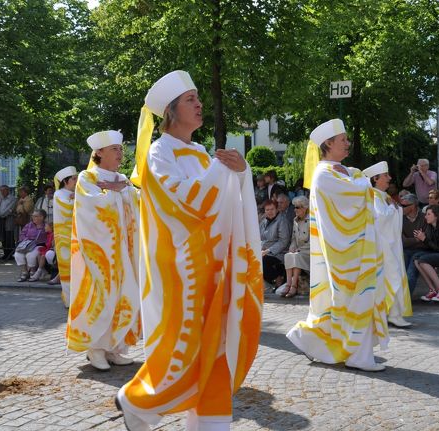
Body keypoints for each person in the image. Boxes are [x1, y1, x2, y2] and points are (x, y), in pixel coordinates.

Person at [115, 70, 262, 431]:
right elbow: (183, 203)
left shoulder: (199, 152)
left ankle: (210, 423)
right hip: (180, 274)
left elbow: (223, 199)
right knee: (182, 348)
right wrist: (223, 172)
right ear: (170, 111)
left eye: (198, 97)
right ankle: (138, 401)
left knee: (216, 345)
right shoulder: (158, 153)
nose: (199, 104)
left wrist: (240, 172)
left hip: (213, 267)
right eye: (190, 99)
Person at [287, 118, 389, 372]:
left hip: (355, 248)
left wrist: (359, 179)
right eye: (343, 140)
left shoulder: (342, 171)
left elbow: (358, 189)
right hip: (343, 251)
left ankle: (344, 349)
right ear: (328, 144)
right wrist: (362, 181)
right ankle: (357, 355)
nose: (348, 143)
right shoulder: (324, 174)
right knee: (355, 299)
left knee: (358, 298)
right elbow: (356, 194)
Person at [67, 130, 141, 372]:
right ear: (99, 152)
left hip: (123, 251)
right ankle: (95, 349)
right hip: (98, 253)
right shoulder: (87, 177)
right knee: (100, 297)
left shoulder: (122, 178)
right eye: (114, 149)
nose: (120, 153)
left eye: (120, 149)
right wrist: (116, 191)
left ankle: (114, 347)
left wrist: (122, 189)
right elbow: (91, 207)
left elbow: (135, 200)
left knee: (124, 295)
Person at [363, 161, 413, 328]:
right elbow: (381, 219)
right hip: (383, 246)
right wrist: (394, 209)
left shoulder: (382, 196)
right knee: (393, 277)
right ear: (375, 179)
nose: (389, 178)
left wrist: (396, 209)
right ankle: (393, 314)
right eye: (386, 175)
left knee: (391, 278)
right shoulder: (373, 196)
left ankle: (391, 313)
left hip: (388, 245)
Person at [52, 166, 77, 303]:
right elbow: (67, 209)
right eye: (73, 179)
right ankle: (69, 300)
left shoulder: (74, 193)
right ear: (65, 181)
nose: (76, 181)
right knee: (67, 268)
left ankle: (77, 298)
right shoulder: (59, 194)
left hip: (74, 235)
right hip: (63, 237)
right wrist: (78, 197)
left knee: (76, 267)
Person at [281, 196, 310, 298]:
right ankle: (288, 284)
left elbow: (313, 241)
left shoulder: (312, 220)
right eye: (294, 207)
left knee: (297, 256)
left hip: (308, 252)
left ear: (304, 208)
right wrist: (292, 247)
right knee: (288, 255)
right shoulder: (295, 220)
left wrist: (299, 249)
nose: (295, 210)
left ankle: (294, 286)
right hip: (298, 251)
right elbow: (293, 238)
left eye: (297, 207)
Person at [400, 193, 427, 296]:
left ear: (413, 205)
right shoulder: (399, 218)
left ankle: (406, 299)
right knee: (400, 275)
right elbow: (402, 241)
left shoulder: (425, 218)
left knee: (410, 275)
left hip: (420, 251)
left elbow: (425, 240)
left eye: (404, 205)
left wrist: (418, 240)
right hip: (405, 250)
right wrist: (417, 240)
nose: (401, 208)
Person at [260, 199, 290, 288]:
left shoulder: (282, 221)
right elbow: (260, 238)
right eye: (267, 210)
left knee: (262, 260)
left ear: (277, 209)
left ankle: (277, 278)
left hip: (279, 252)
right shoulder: (264, 221)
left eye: (272, 209)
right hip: (264, 251)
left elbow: (283, 241)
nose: (270, 212)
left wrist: (268, 250)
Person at [14, 209, 47, 282]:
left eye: (35, 216)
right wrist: (26, 240)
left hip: (39, 244)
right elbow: (22, 234)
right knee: (18, 254)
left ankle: (32, 271)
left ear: (41, 217)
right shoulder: (29, 225)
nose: (33, 218)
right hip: (27, 243)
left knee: (30, 255)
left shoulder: (45, 226)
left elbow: (47, 237)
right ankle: (25, 272)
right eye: (33, 216)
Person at [0, 185, 17, 259]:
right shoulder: (1, 198)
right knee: (3, 237)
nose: (2, 192)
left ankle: (10, 254)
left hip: (9, 219)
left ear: (8, 190)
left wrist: (2, 214)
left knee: (9, 237)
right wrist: (0, 214)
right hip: (1, 220)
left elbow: (10, 209)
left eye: (4, 190)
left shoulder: (13, 199)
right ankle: (5, 254)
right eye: (1, 190)